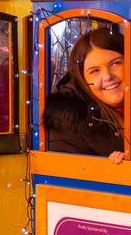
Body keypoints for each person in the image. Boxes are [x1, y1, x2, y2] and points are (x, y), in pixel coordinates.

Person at [43, 27, 125, 164]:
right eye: (94, 71)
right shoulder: (69, 124)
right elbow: (72, 179)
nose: (107, 77)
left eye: (116, 63)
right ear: (83, 79)